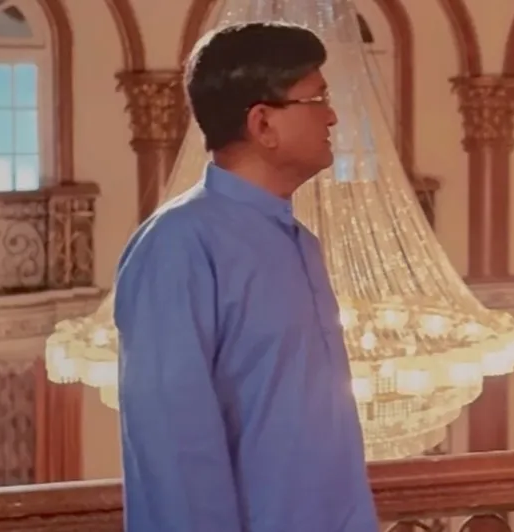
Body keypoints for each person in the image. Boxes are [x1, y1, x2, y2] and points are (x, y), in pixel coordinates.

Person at [114, 22, 378, 532]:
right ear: (263, 123)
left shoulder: (301, 243)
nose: (332, 115)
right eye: (317, 98)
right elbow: (176, 455)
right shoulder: (177, 245)